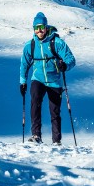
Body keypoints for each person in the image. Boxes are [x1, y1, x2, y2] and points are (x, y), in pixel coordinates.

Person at [20, 12, 76, 145]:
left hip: (54, 81)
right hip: (37, 79)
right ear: (33, 29)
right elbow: (24, 64)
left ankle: (56, 141)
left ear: (46, 27)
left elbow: (71, 60)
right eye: (36, 28)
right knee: (35, 102)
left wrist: (65, 65)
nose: (39, 31)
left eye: (42, 27)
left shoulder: (57, 43)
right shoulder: (30, 45)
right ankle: (36, 135)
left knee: (55, 111)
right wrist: (22, 82)